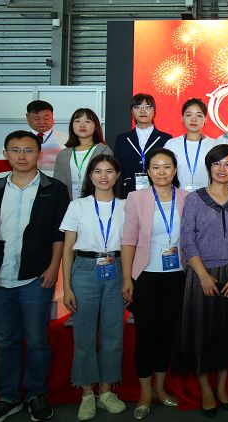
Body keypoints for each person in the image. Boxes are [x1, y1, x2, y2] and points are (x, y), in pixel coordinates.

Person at [0, 130, 70, 422]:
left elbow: (59, 234)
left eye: (28, 150)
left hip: (35, 276)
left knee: (37, 339)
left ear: (39, 154)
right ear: (6, 154)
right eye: (15, 150)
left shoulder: (54, 189)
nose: (22, 156)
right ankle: (9, 397)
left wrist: (53, 267)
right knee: (5, 341)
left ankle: (36, 394)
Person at [178, 144, 228, 417]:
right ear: (209, 167)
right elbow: (187, 239)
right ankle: (206, 391)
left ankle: (222, 387)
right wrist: (202, 276)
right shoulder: (194, 199)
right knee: (201, 332)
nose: (222, 169)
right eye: (217, 163)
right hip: (201, 275)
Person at [120, 148, 189, 420]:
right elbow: (128, 240)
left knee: (167, 333)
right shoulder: (136, 198)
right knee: (146, 335)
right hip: (146, 275)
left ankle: (160, 389)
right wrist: (127, 277)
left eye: (167, 166)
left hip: (177, 275)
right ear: (148, 171)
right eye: (156, 167)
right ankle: (145, 393)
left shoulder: (187, 198)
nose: (162, 172)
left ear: (175, 170)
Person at [59, 155, 128, 420]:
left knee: (113, 334)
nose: (103, 176)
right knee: (84, 334)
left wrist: (128, 279)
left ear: (117, 175)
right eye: (98, 171)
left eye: (109, 171)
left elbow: (130, 245)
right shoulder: (77, 205)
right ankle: (87, 393)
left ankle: (107, 391)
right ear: (90, 176)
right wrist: (67, 287)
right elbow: (67, 249)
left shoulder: (126, 205)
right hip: (85, 270)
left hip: (116, 268)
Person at [114, 93, 173, 196]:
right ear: (132, 111)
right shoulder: (122, 139)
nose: (142, 111)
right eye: (137, 107)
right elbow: (117, 168)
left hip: (158, 191)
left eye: (148, 107)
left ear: (154, 111)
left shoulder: (166, 139)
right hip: (128, 191)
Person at [53, 108, 113, 200]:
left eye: (87, 121)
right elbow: (57, 183)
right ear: (72, 126)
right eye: (77, 121)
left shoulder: (104, 151)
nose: (82, 125)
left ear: (95, 127)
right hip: (66, 203)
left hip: (95, 201)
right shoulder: (63, 154)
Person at [164, 98, 221, 192]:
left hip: (207, 197)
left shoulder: (215, 144)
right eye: (188, 115)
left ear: (205, 119)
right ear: (182, 118)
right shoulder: (171, 144)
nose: (193, 119)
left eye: (199, 115)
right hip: (178, 197)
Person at [23, 100, 67, 174]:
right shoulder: (17, 139)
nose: (42, 122)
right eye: (37, 119)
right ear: (27, 117)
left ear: (52, 117)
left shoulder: (67, 139)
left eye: (46, 118)